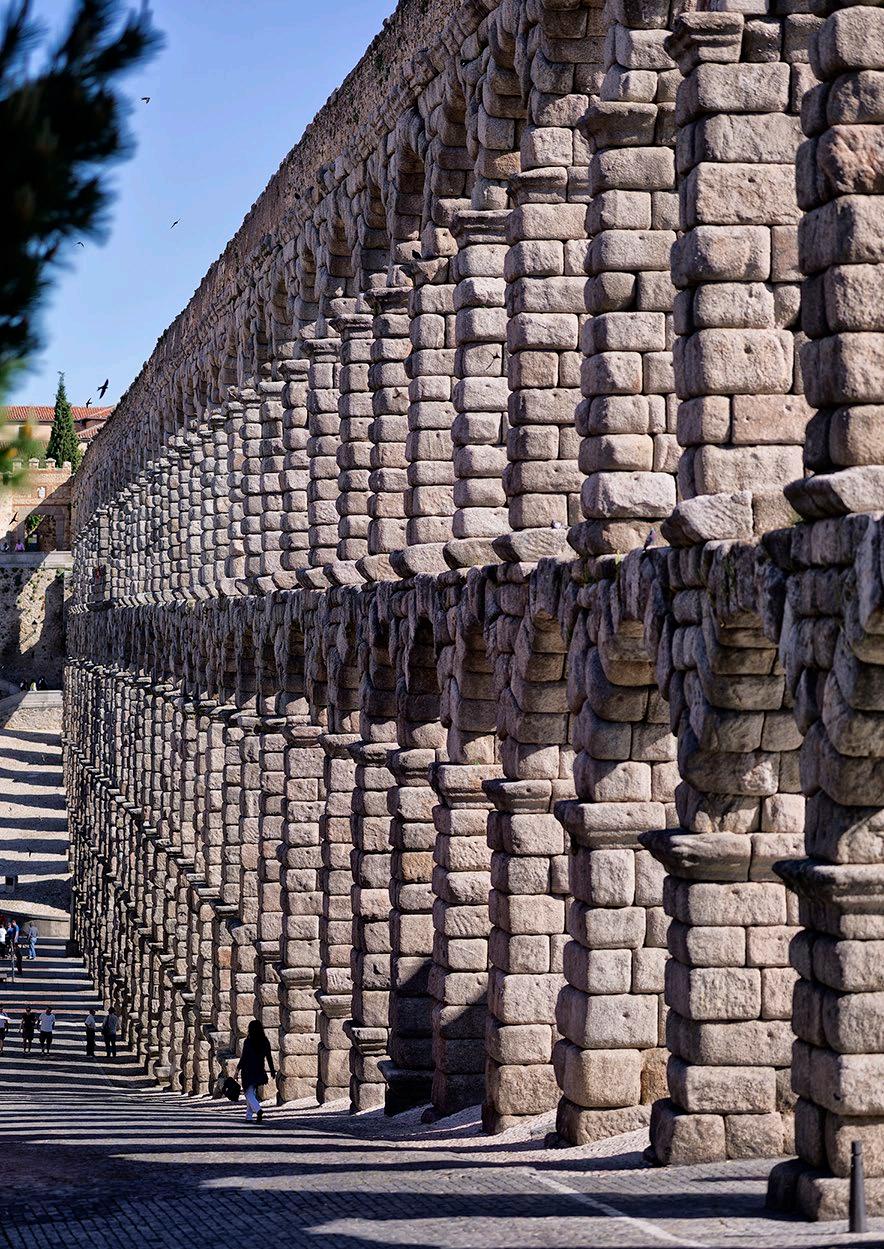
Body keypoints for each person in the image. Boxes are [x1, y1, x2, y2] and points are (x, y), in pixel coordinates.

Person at [235, 1019, 276, 1123]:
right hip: (259, 1070)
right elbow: (269, 1056)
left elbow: (244, 1057)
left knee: (248, 1093)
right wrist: (272, 1070)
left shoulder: (248, 1041)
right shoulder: (265, 1041)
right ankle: (248, 1116)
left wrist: (237, 1069)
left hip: (248, 1070)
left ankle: (258, 1110)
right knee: (251, 1092)